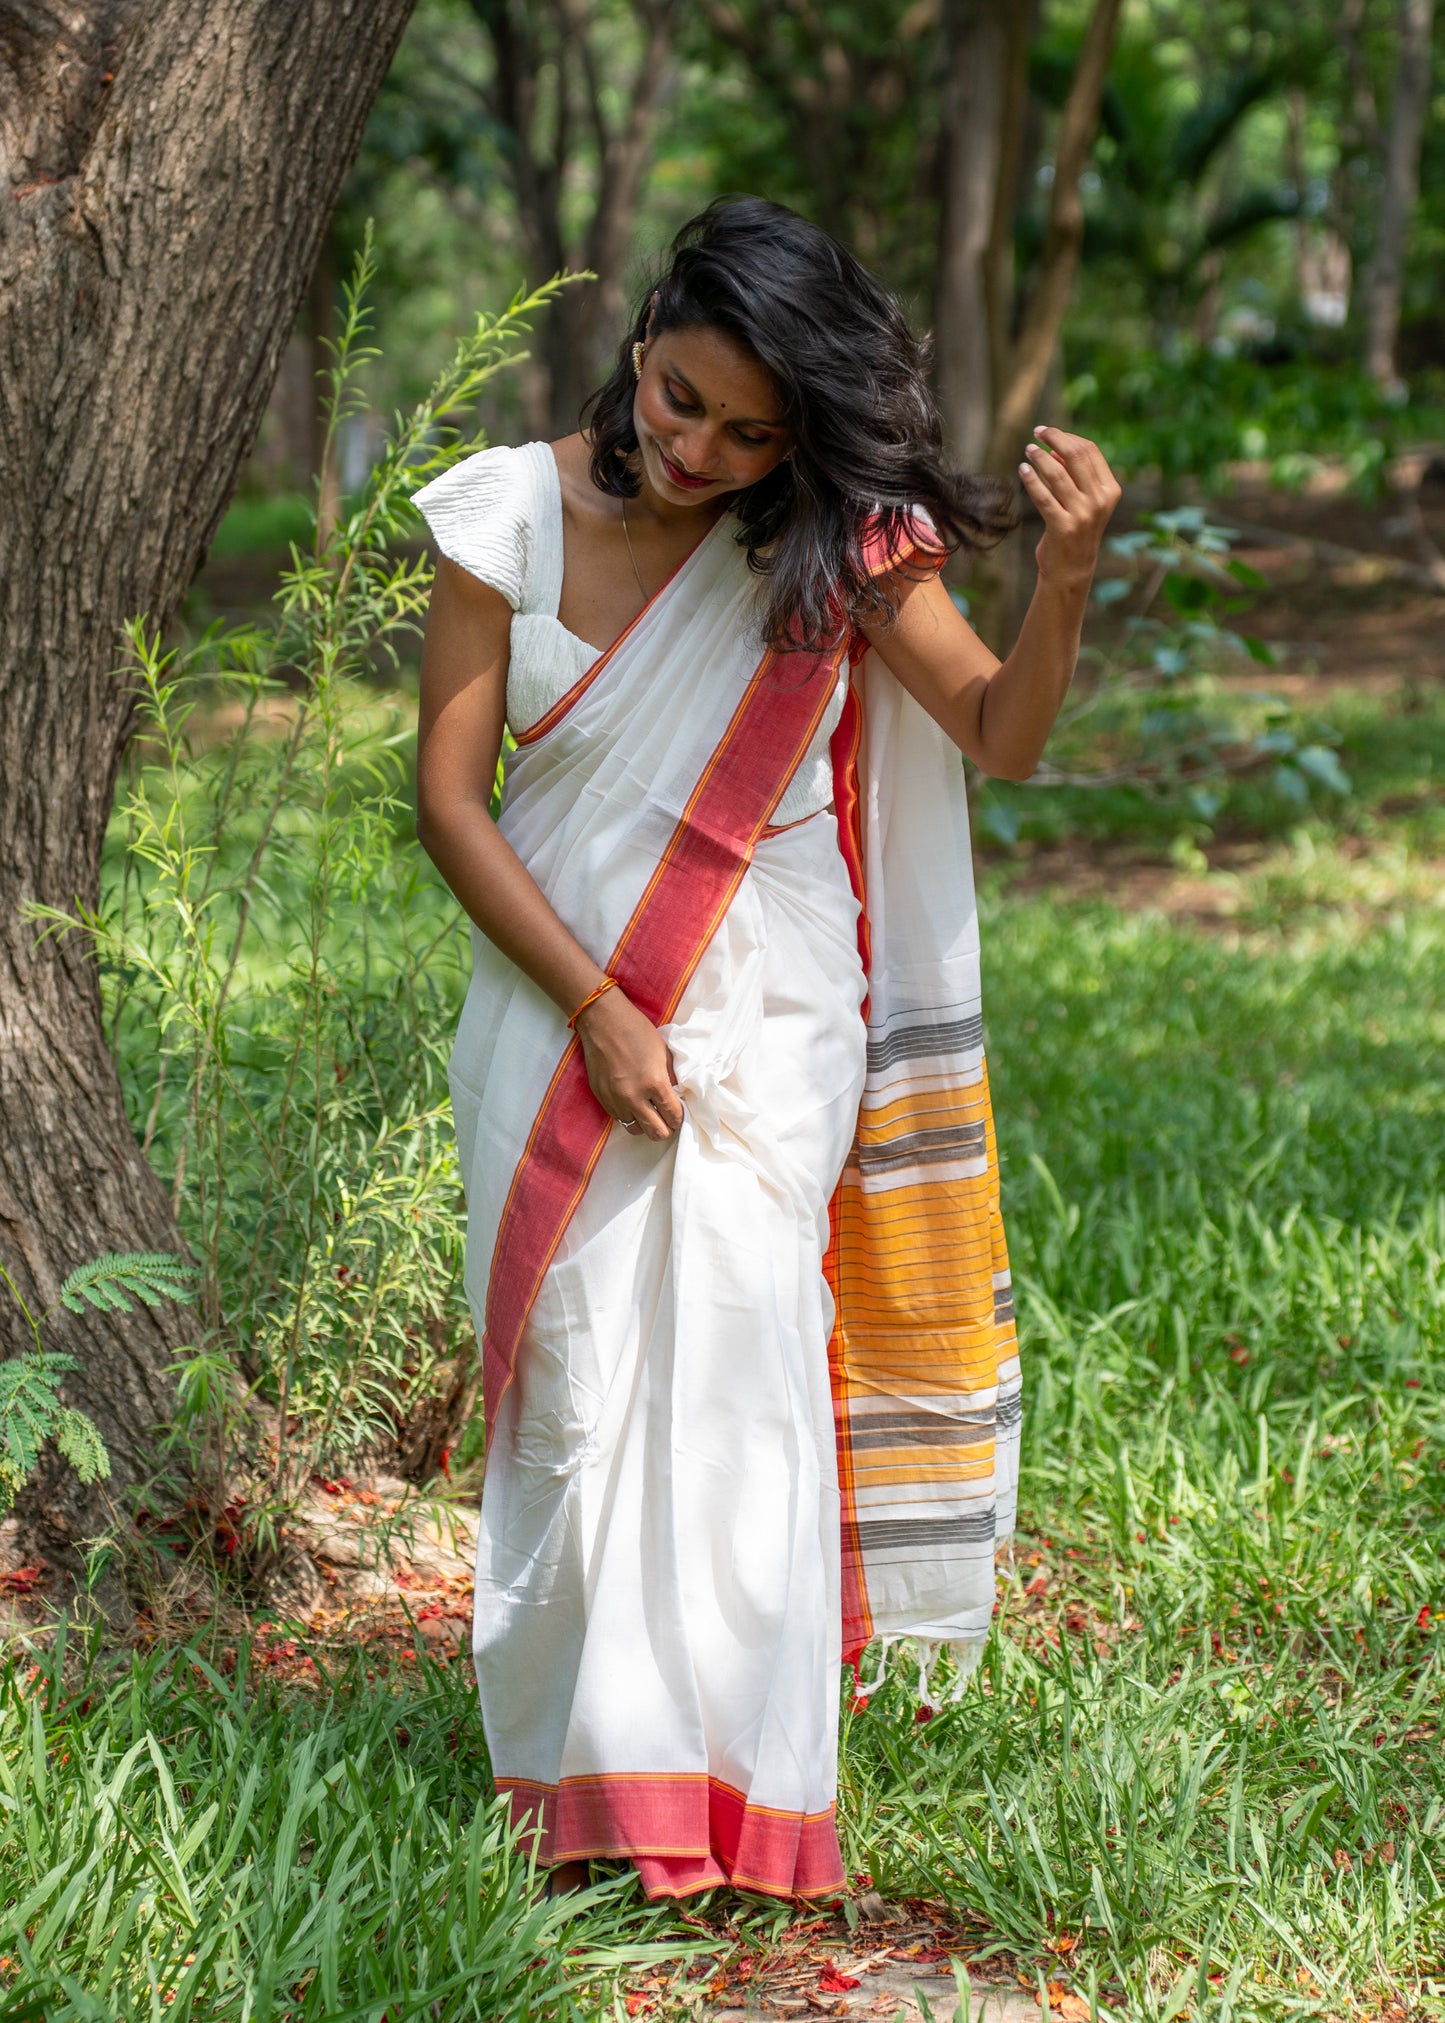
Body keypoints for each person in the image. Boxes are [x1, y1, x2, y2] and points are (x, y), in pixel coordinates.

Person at [414, 196, 1120, 1902]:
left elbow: (997, 734)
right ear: (640, 339)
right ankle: (584, 1782)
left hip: (769, 1008)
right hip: (555, 1000)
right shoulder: (505, 510)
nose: (700, 452)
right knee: (577, 1382)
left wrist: (1069, 576)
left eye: (749, 430)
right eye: (677, 402)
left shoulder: (835, 544)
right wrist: (597, 1006)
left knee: (739, 1363)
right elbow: (447, 804)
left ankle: (737, 1802)